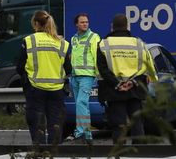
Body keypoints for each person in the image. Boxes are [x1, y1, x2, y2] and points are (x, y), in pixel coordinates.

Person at [97, 13, 157, 144]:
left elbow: (102, 69)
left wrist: (118, 84)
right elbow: (147, 65)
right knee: (137, 124)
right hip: (134, 89)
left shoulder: (103, 44)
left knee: (118, 125)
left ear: (112, 27)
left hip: (114, 90)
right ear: (128, 27)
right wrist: (133, 81)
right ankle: (139, 155)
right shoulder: (139, 43)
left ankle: (119, 157)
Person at [16, 10, 71, 147]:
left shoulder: (29, 41)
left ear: (35, 24)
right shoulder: (62, 43)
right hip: (57, 90)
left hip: (35, 88)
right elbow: (68, 69)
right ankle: (54, 154)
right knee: (56, 124)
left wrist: (27, 78)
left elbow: (19, 66)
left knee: (36, 123)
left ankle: (39, 154)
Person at [67, 12, 101, 141]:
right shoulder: (74, 39)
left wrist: (98, 75)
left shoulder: (94, 37)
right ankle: (87, 134)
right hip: (75, 76)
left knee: (81, 102)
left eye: (86, 22)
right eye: (82, 22)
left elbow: (97, 57)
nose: (85, 24)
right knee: (82, 104)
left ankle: (80, 132)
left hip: (87, 75)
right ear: (76, 24)